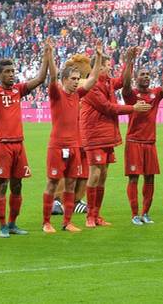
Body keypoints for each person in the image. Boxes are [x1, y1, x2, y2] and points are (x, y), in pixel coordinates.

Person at [0, 40, 48, 238]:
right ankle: (2, 225)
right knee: (2, 185)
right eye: (7, 71)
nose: (11, 74)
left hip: (18, 144)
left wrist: (46, 57)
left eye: (13, 71)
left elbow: (40, 79)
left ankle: (12, 223)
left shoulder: (19, 89)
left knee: (17, 185)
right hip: (1, 144)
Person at [80, 46, 152, 228]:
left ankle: (96, 215)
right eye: (107, 65)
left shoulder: (107, 82)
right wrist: (133, 108)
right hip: (94, 134)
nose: (110, 68)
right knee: (95, 173)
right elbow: (108, 108)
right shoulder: (92, 85)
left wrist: (129, 61)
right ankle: (89, 216)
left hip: (107, 135)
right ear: (99, 67)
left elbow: (123, 80)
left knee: (103, 175)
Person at [42, 40, 101, 233]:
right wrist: (49, 55)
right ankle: (46, 222)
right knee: (52, 183)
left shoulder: (77, 95)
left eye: (78, 78)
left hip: (74, 146)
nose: (77, 81)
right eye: (74, 79)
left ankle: (67, 222)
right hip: (57, 146)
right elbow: (51, 77)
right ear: (65, 79)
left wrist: (98, 58)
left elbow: (92, 80)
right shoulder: (56, 93)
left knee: (70, 183)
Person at [122, 46, 163, 225]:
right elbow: (124, 84)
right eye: (143, 74)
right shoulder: (131, 95)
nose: (146, 77)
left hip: (150, 143)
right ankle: (134, 214)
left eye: (148, 74)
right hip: (134, 142)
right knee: (134, 178)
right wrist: (130, 62)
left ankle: (145, 213)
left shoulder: (155, 94)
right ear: (136, 78)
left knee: (150, 178)